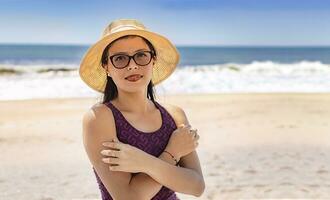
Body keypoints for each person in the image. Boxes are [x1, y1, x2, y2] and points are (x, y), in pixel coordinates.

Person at [80, 19, 205, 200]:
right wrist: (172, 153)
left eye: (140, 55)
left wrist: (144, 162)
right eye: (120, 58)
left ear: (153, 60)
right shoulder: (100, 118)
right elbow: (128, 198)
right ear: (106, 67)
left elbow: (197, 186)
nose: (132, 65)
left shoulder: (175, 115)